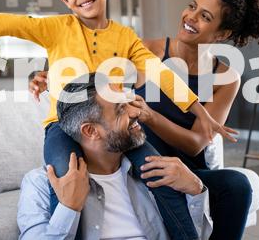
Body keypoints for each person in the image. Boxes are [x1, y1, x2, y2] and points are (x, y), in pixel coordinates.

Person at [0, 0, 237, 240]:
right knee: (63, 179)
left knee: (159, 175)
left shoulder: (125, 37)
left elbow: (161, 74)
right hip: (62, 126)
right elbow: (10, 23)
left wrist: (200, 111)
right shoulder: (57, 28)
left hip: (113, 125)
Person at [30, 0, 259, 240]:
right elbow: (93, 80)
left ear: (222, 34)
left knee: (237, 185)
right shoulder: (146, 50)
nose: (191, 17)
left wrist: (149, 116)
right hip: (138, 163)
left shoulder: (226, 77)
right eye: (192, 6)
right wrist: (47, 76)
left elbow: (195, 145)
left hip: (187, 168)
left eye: (205, 17)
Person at [17, 74, 213, 240]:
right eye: (121, 110)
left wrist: (196, 189)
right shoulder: (40, 183)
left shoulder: (155, 173)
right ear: (91, 131)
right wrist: (69, 207)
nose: (136, 112)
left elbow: (198, 235)